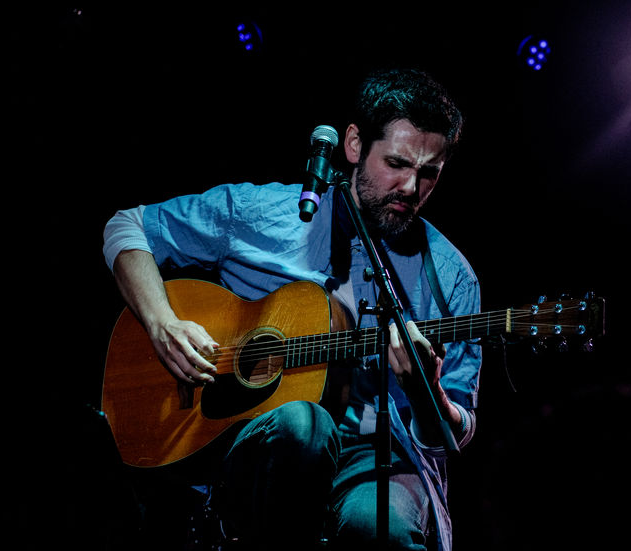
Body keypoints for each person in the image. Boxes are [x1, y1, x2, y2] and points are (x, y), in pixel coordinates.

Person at [102, 67, 481, 551]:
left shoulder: (451, 278)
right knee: (304, 425)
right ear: (353, 144)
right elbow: (127, 227)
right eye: (396, 163)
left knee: (382, 529)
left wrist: (427, 394)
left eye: (429, 173)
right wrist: (162, 323)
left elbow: (452, 434)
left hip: (375, 455)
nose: (411, 187)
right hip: (254, 444)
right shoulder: (259, 212)